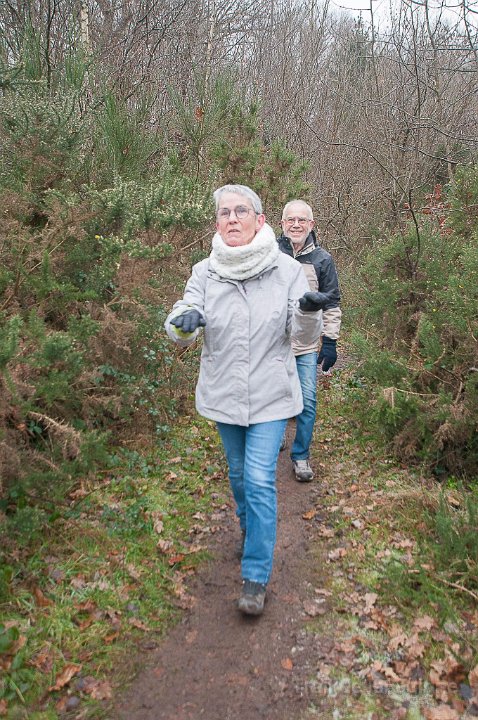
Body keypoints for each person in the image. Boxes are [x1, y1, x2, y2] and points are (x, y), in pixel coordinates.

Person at [165, 184, 314, 616]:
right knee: (238, 475)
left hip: (271, 393)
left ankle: (255, 574)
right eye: (225, 212)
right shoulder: (204, 272)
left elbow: (301, 335)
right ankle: (250, 529)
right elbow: (181, 321)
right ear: (217, 224)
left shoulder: (288, 270)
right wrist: (183, 322)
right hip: (224, 392)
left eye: (241, 211)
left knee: (260, 478)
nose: (232, 218)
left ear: (260, 220)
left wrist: (309, 311)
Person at [277, 200, 342, 482]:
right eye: (290, 220)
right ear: (282, 224)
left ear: (311, 225)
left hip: (304, 346)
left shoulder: (322, 260)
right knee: (273, 397)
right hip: (273, 344)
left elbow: (332, 303)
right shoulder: (270, 255)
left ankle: (301, 456)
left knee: (307, 401)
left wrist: (330, 340)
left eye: (301, 220)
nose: (296, 225)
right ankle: (274, 438)